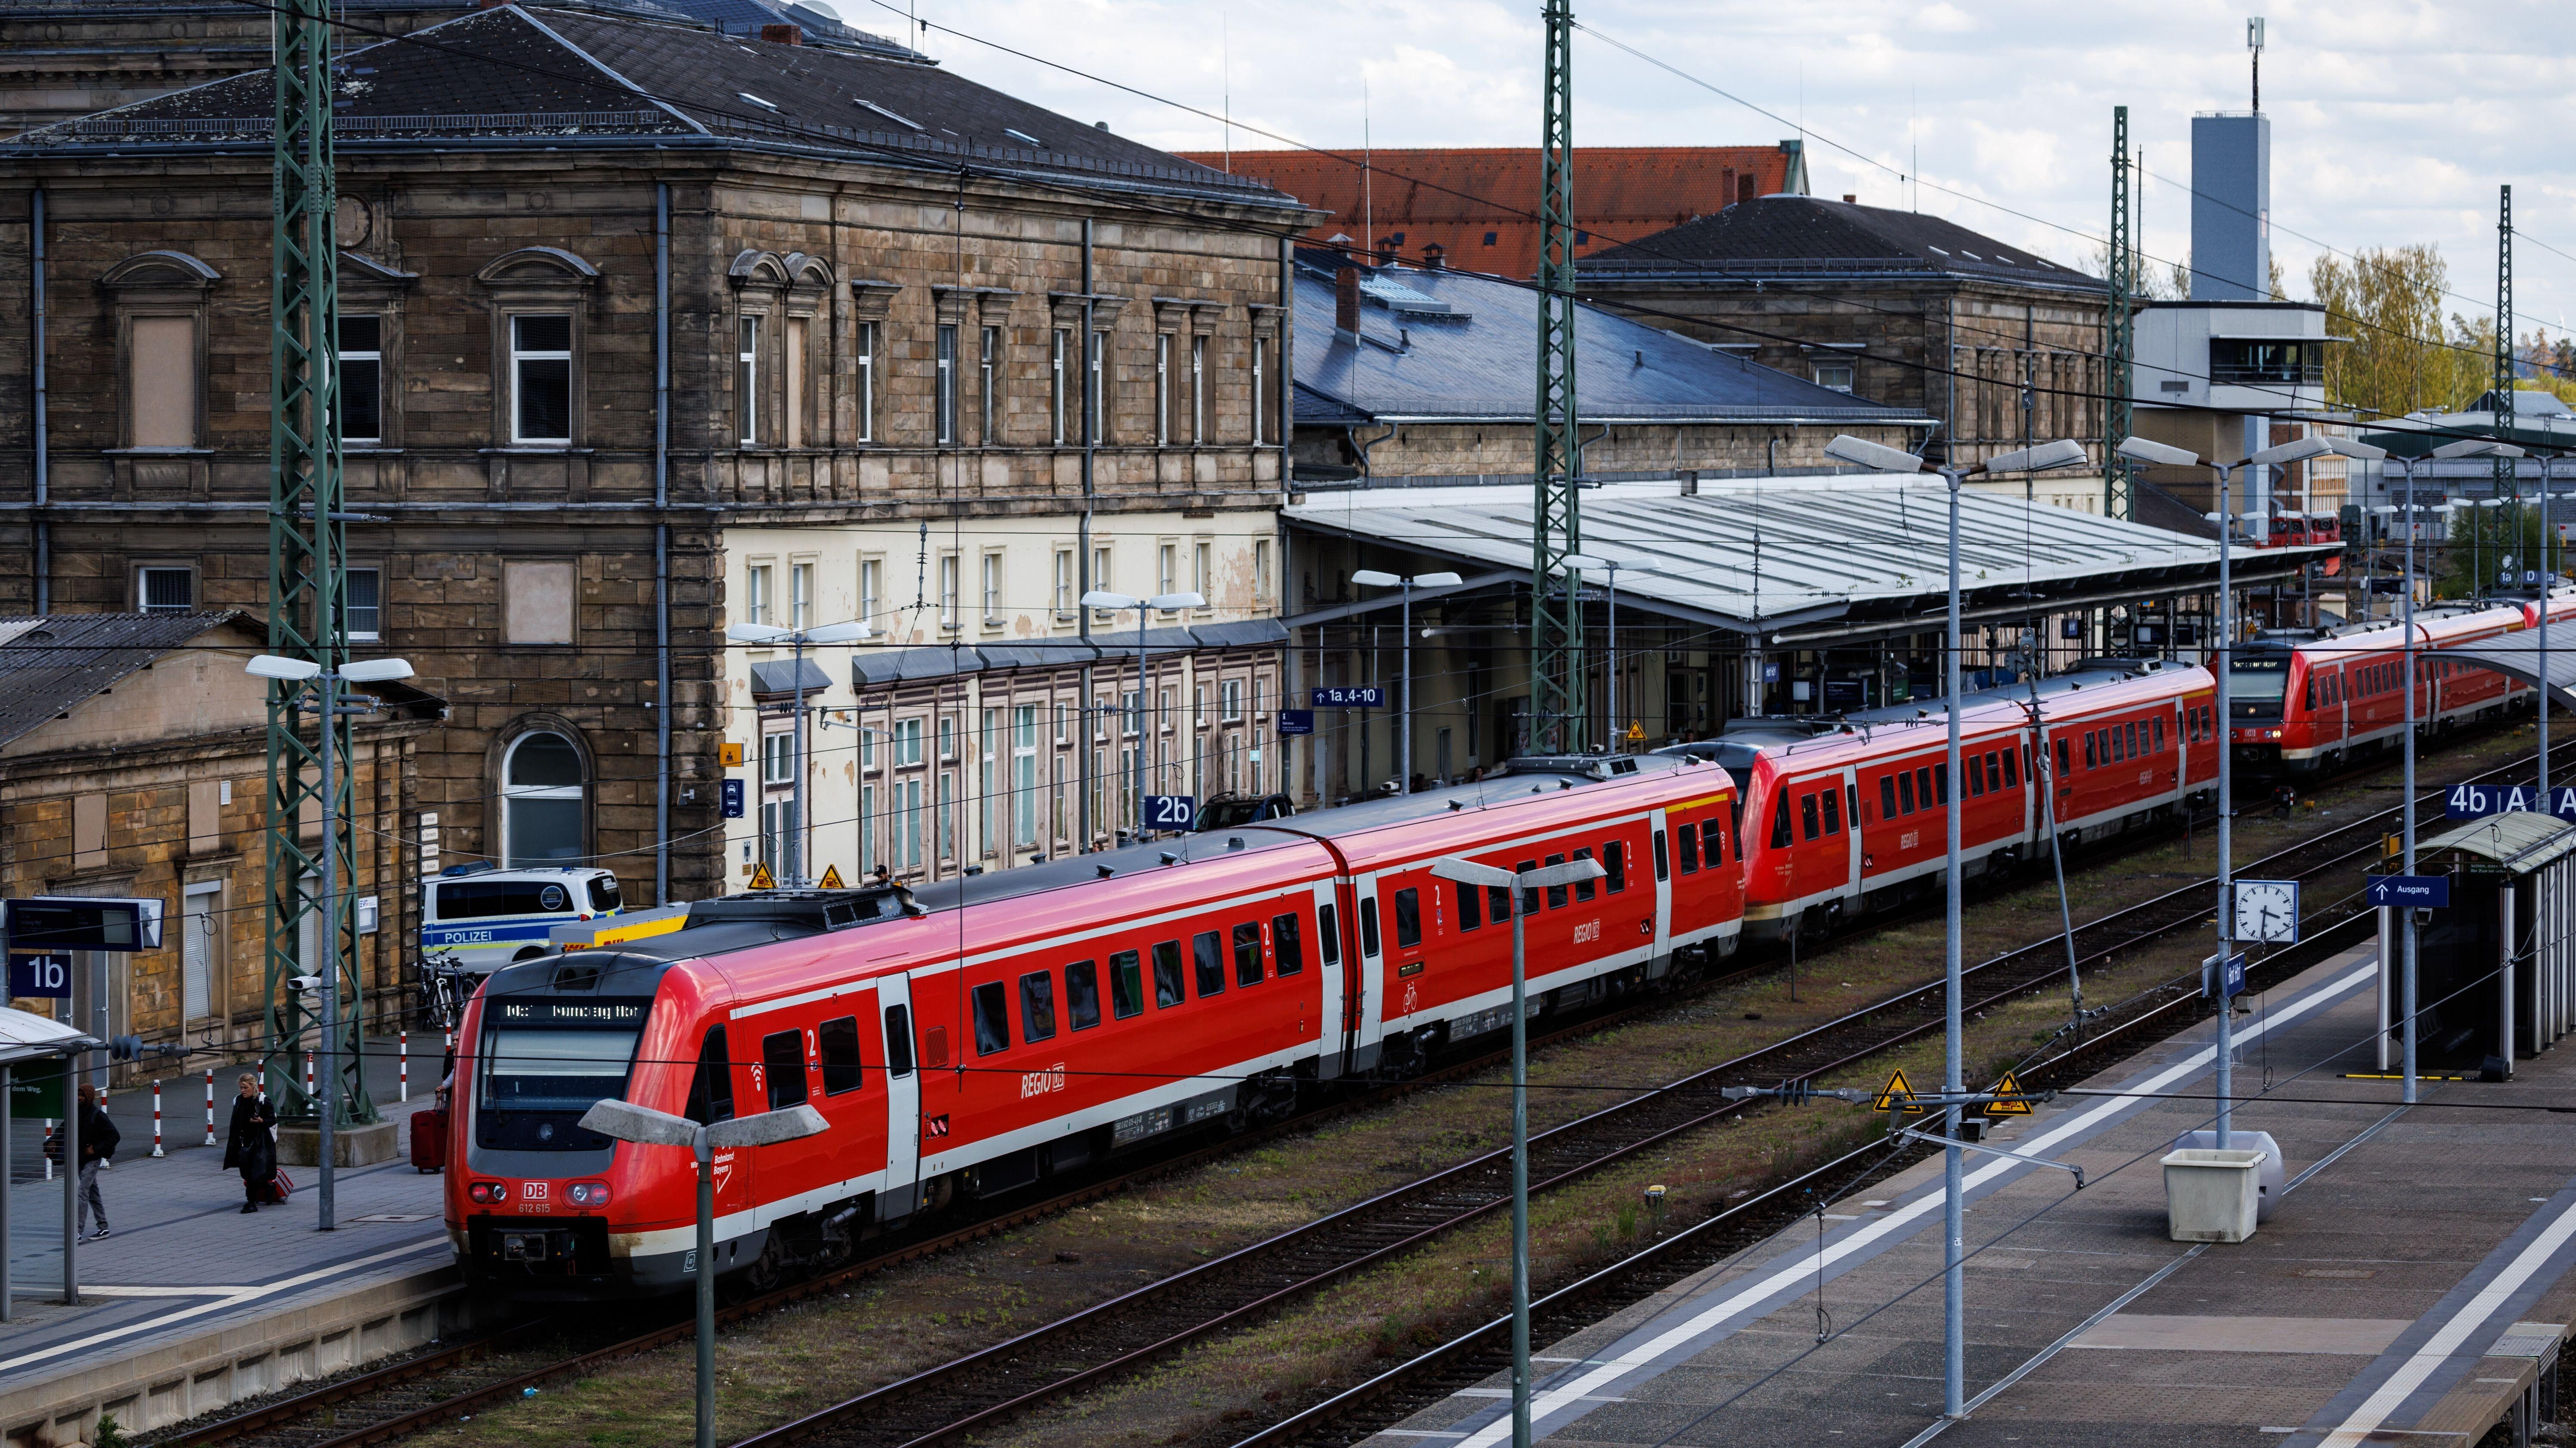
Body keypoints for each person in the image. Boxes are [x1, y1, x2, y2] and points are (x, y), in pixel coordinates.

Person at [58, 1083, 118, 1240]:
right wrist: (52, 1141)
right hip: (80, 1159)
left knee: (82, 1193)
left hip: (92, 1160)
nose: (79, 1098)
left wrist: (96, 1149)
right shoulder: (76, 1112)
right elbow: (63, 1128)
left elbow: (115, 1136)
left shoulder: (98, 1115)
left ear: (89, 1097)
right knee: (93, 1194)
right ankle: (103, 1227)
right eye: (78, 1094)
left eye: (83, 1095)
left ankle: (77, 1231)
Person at [222, 1073, 278, 1214]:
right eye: (241, 1087)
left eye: (245, 1088)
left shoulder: (263, 1100)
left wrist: (261, 1121)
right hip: (244, 1142)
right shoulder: (238, 1101)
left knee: (254, 1173)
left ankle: (251, 1203)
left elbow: (272, 1120)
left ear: (253, 1087)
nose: (243, 1091)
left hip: (261, 1142)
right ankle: (267, 1187)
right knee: (247, 1173)